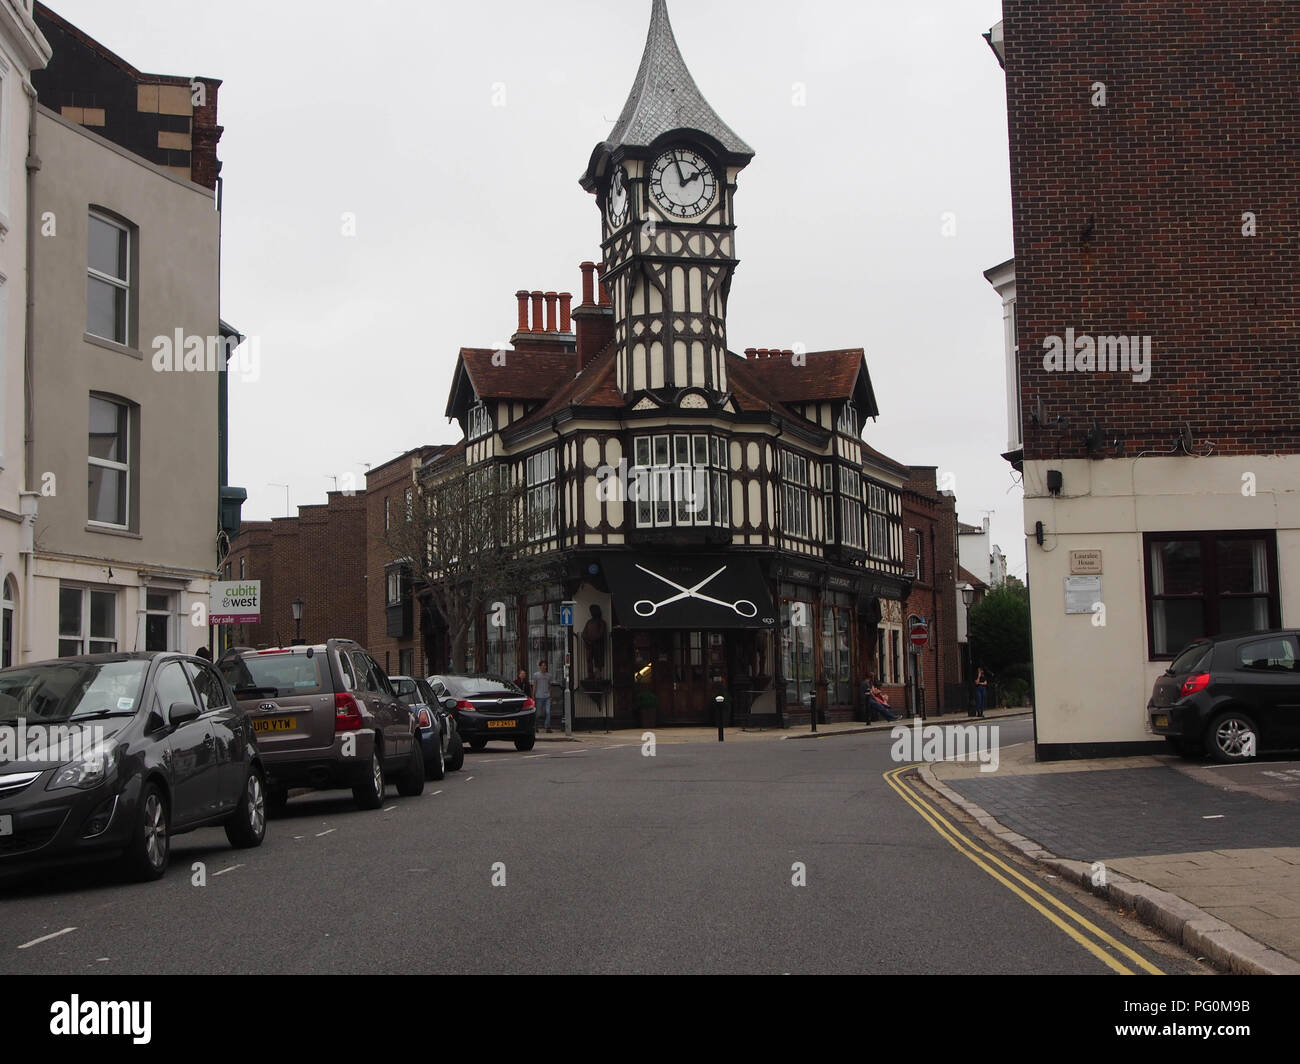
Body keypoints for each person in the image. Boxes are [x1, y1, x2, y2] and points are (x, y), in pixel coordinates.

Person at [532, 660, 552, 733]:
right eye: (542, 665)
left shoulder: (549, 675)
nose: (544, 667)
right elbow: (534, 685)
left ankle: (548, 727)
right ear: (540, 666)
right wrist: (533, 695)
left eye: (545, 665)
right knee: (538, 713)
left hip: (547, 696)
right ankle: (536, 726)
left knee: (548, 711)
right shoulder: (536, 675)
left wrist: (551, 696)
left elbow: (550, 686)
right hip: (539, 696)